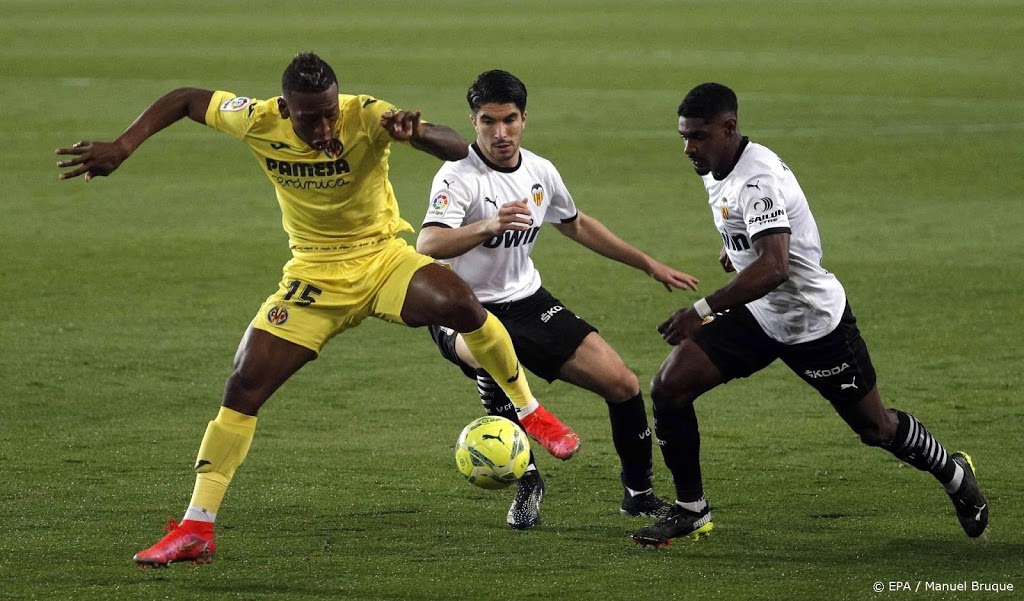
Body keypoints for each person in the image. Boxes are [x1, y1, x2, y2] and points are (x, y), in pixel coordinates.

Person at [56, 52, 580, 568]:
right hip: (314, 276)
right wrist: (124, 145)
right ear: (286, 109)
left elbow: (453, 146)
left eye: (331, 111)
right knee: (243, 386)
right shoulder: (257, 119)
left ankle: (531, 412)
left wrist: (414, 132)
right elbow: (186, 100)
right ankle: (197, 527)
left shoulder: (365, 114)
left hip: (381, 259)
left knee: (460, 302)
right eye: (313, 117)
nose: (327, 124)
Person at [631, 83, 988, 547]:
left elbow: (776, 267)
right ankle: (691, 510)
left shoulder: (756, 179)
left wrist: (701, 310)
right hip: (760, 314)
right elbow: (756, 237)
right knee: (669, 388)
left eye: (697, 136)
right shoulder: (719, 162)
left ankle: (955, 475)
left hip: (813, 322)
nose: (688, 148)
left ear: (729, 128)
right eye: (684, 136)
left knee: (876, 428)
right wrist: (735, 248)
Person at [416, 70, 700, 530]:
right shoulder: (458, 177)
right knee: (489, 353)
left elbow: (576, 223)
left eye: (509, 120)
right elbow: (428, 244)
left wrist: (647, 263)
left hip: (528, 300)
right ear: (473, 121)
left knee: (623, 384)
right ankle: (528, 479)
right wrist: (488, 225)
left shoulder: (539, 171)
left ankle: (639, 495)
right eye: (488, 121)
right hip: (461, 306)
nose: (500, 133)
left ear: (524, 118)